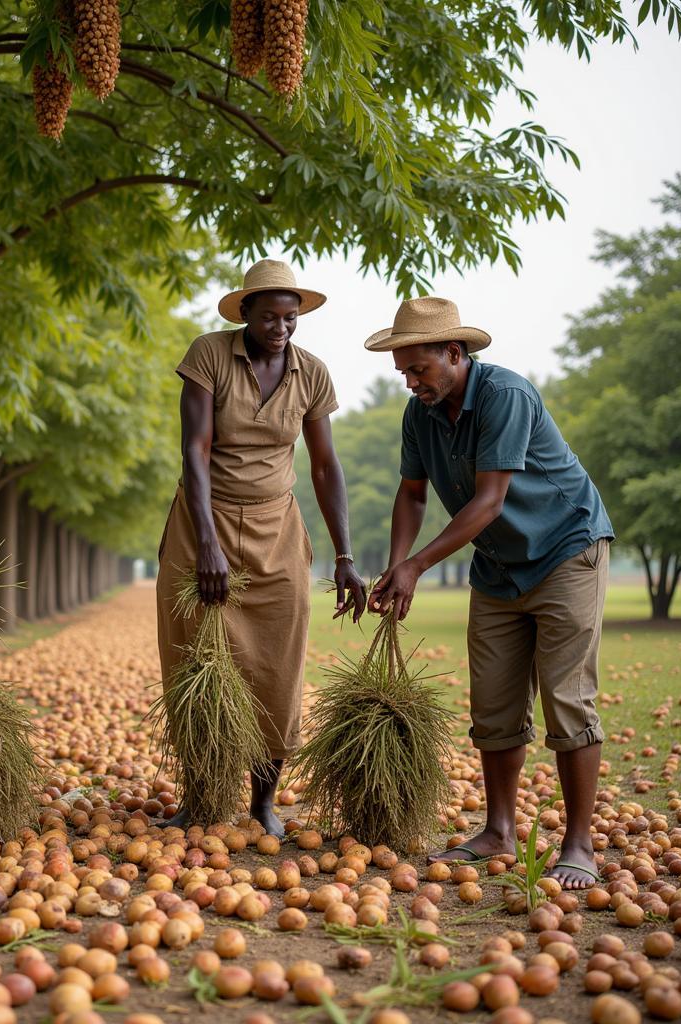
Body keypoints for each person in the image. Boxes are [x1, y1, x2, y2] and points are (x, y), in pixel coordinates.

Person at [365, 296, 614, 889]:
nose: (410, 382)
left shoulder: (506, 395)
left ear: (455, 354)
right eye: (402, 371)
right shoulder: (419, 415)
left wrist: (419, 565)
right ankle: (499, 829)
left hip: (565, 551)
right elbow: (412, 494)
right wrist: (397, 564)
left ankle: (578, 844)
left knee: (567, 698)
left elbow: (489, 499)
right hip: (499, 565)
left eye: (418, 369)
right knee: (494, 703)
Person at [156, 259, 367, 837]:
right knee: (196, 660)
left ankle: (262, 803)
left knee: (277, 662)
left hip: (278, 528)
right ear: (243, 312)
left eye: (291, 317)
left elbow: (324, 467)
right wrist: (207, 545)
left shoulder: (312, 374)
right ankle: (200, 796)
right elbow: (194, 450)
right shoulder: (209, 355)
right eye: (269, 315)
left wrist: (344, 556)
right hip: (204, 521)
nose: (281, 327)